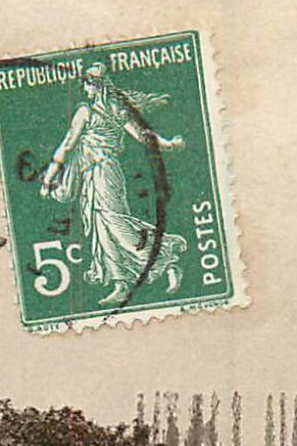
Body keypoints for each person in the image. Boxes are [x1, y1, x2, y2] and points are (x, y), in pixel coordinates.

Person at [40, 62, 188, 305]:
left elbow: (67, 144)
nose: (84, 88)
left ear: (95, 86)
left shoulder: (86, 112)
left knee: (115, 223)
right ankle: (121, 282)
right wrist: (167, 144)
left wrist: (48, 178)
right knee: (102, 228)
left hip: (102, 172)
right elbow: (144, 135)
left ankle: (166, 261)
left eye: (87, 84)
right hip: (99, 173)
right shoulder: (117, 109)